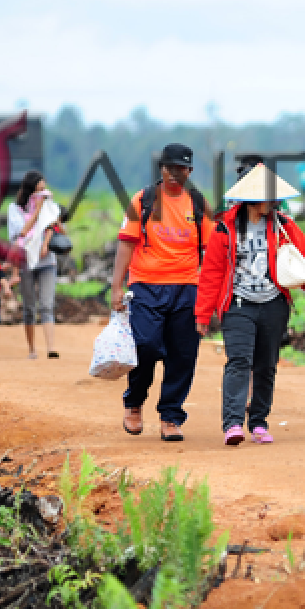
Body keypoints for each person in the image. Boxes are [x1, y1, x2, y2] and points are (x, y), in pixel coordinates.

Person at [196, 163, 305, 446]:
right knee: (239, 361)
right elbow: (211, 273)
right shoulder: (225, 228)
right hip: (238, 305)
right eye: (267, 195)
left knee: (266, 365)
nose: (272, 201)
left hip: (274, 304)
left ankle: (259, 422)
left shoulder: (284, 225)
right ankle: (233, 423)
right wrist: (203, 314)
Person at [111, 144, 214, 443]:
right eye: (169, 167)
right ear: (161, 168)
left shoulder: (197, 203)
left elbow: (212, 251)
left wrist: (210, 294)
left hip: (187, 287)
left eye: (181, 168)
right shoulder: (142, 200)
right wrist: (117, 286)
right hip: (145, 285)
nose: (174, 173)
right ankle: (134, 401)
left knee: (183, 354)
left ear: (189, 171)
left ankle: (170, 415)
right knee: (146, 345)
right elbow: (126, 243)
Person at [8, 170, 62, 359]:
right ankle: (32, 349)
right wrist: (38, 210)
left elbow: (55, 228)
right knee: (30, 307)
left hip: (47, 260)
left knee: (47, 305)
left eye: (44, 190)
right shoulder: (14, 209)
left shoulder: (49, 205)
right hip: (25, 261)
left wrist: (53, 216)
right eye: (39, 190)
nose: (42, 193)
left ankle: (51, 348)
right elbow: (20, 233)